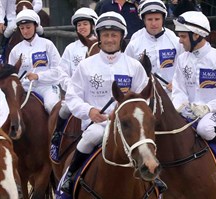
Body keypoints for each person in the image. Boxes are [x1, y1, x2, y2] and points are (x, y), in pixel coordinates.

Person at [61, 11, 167, 195]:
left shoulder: (134, 66)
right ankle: (69, 177)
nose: (110, 39)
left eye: (114, 35)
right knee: (89, 138)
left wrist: (129, 114)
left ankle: (153, 177)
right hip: (98, 124)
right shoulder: (85, 66)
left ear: (121, 37)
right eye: (105, 35)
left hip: (128, 125)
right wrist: (89, 110)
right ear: (99, 37)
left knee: (146, 141)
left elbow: (144, 98)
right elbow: (71, 96)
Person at [172, 11, 216, 152]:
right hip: (189, 112)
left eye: (183, 36)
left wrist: (208, 108)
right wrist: (180, 106)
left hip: (214, 113)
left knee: (205, 130)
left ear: (196, 35)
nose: (180, 41)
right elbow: (178, 89)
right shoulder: (181, 59)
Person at [51, 7, 98, 147]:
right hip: (76, 92)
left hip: (98, 93)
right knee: (64, 109)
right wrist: (70, 85)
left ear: (93, 25)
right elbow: (61, 71)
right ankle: (58, 133)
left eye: (85, 24)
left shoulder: (102, 45)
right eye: (79, 25)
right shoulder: (71, 48)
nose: (82, 27)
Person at [125, 0, 183, 96]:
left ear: (163, 19)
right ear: (143, 20)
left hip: (171, 95)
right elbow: (127, 70)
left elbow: (184, 66)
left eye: (157, 19)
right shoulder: (134, 44)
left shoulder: (176, 41)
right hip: (145, 97)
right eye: (149, 19)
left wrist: (177, 83)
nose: (153, 23)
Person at [8, 9, 61, 114]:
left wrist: (38, 76)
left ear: (36, 26)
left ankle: (57, 130)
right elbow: (12, 76)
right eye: (22, 28)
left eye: (28, 27)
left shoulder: (47, 45)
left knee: (51, 105)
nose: (25, 31)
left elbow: (59, 71)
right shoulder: (15, 50)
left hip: (47, 87)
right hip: (24, 89)